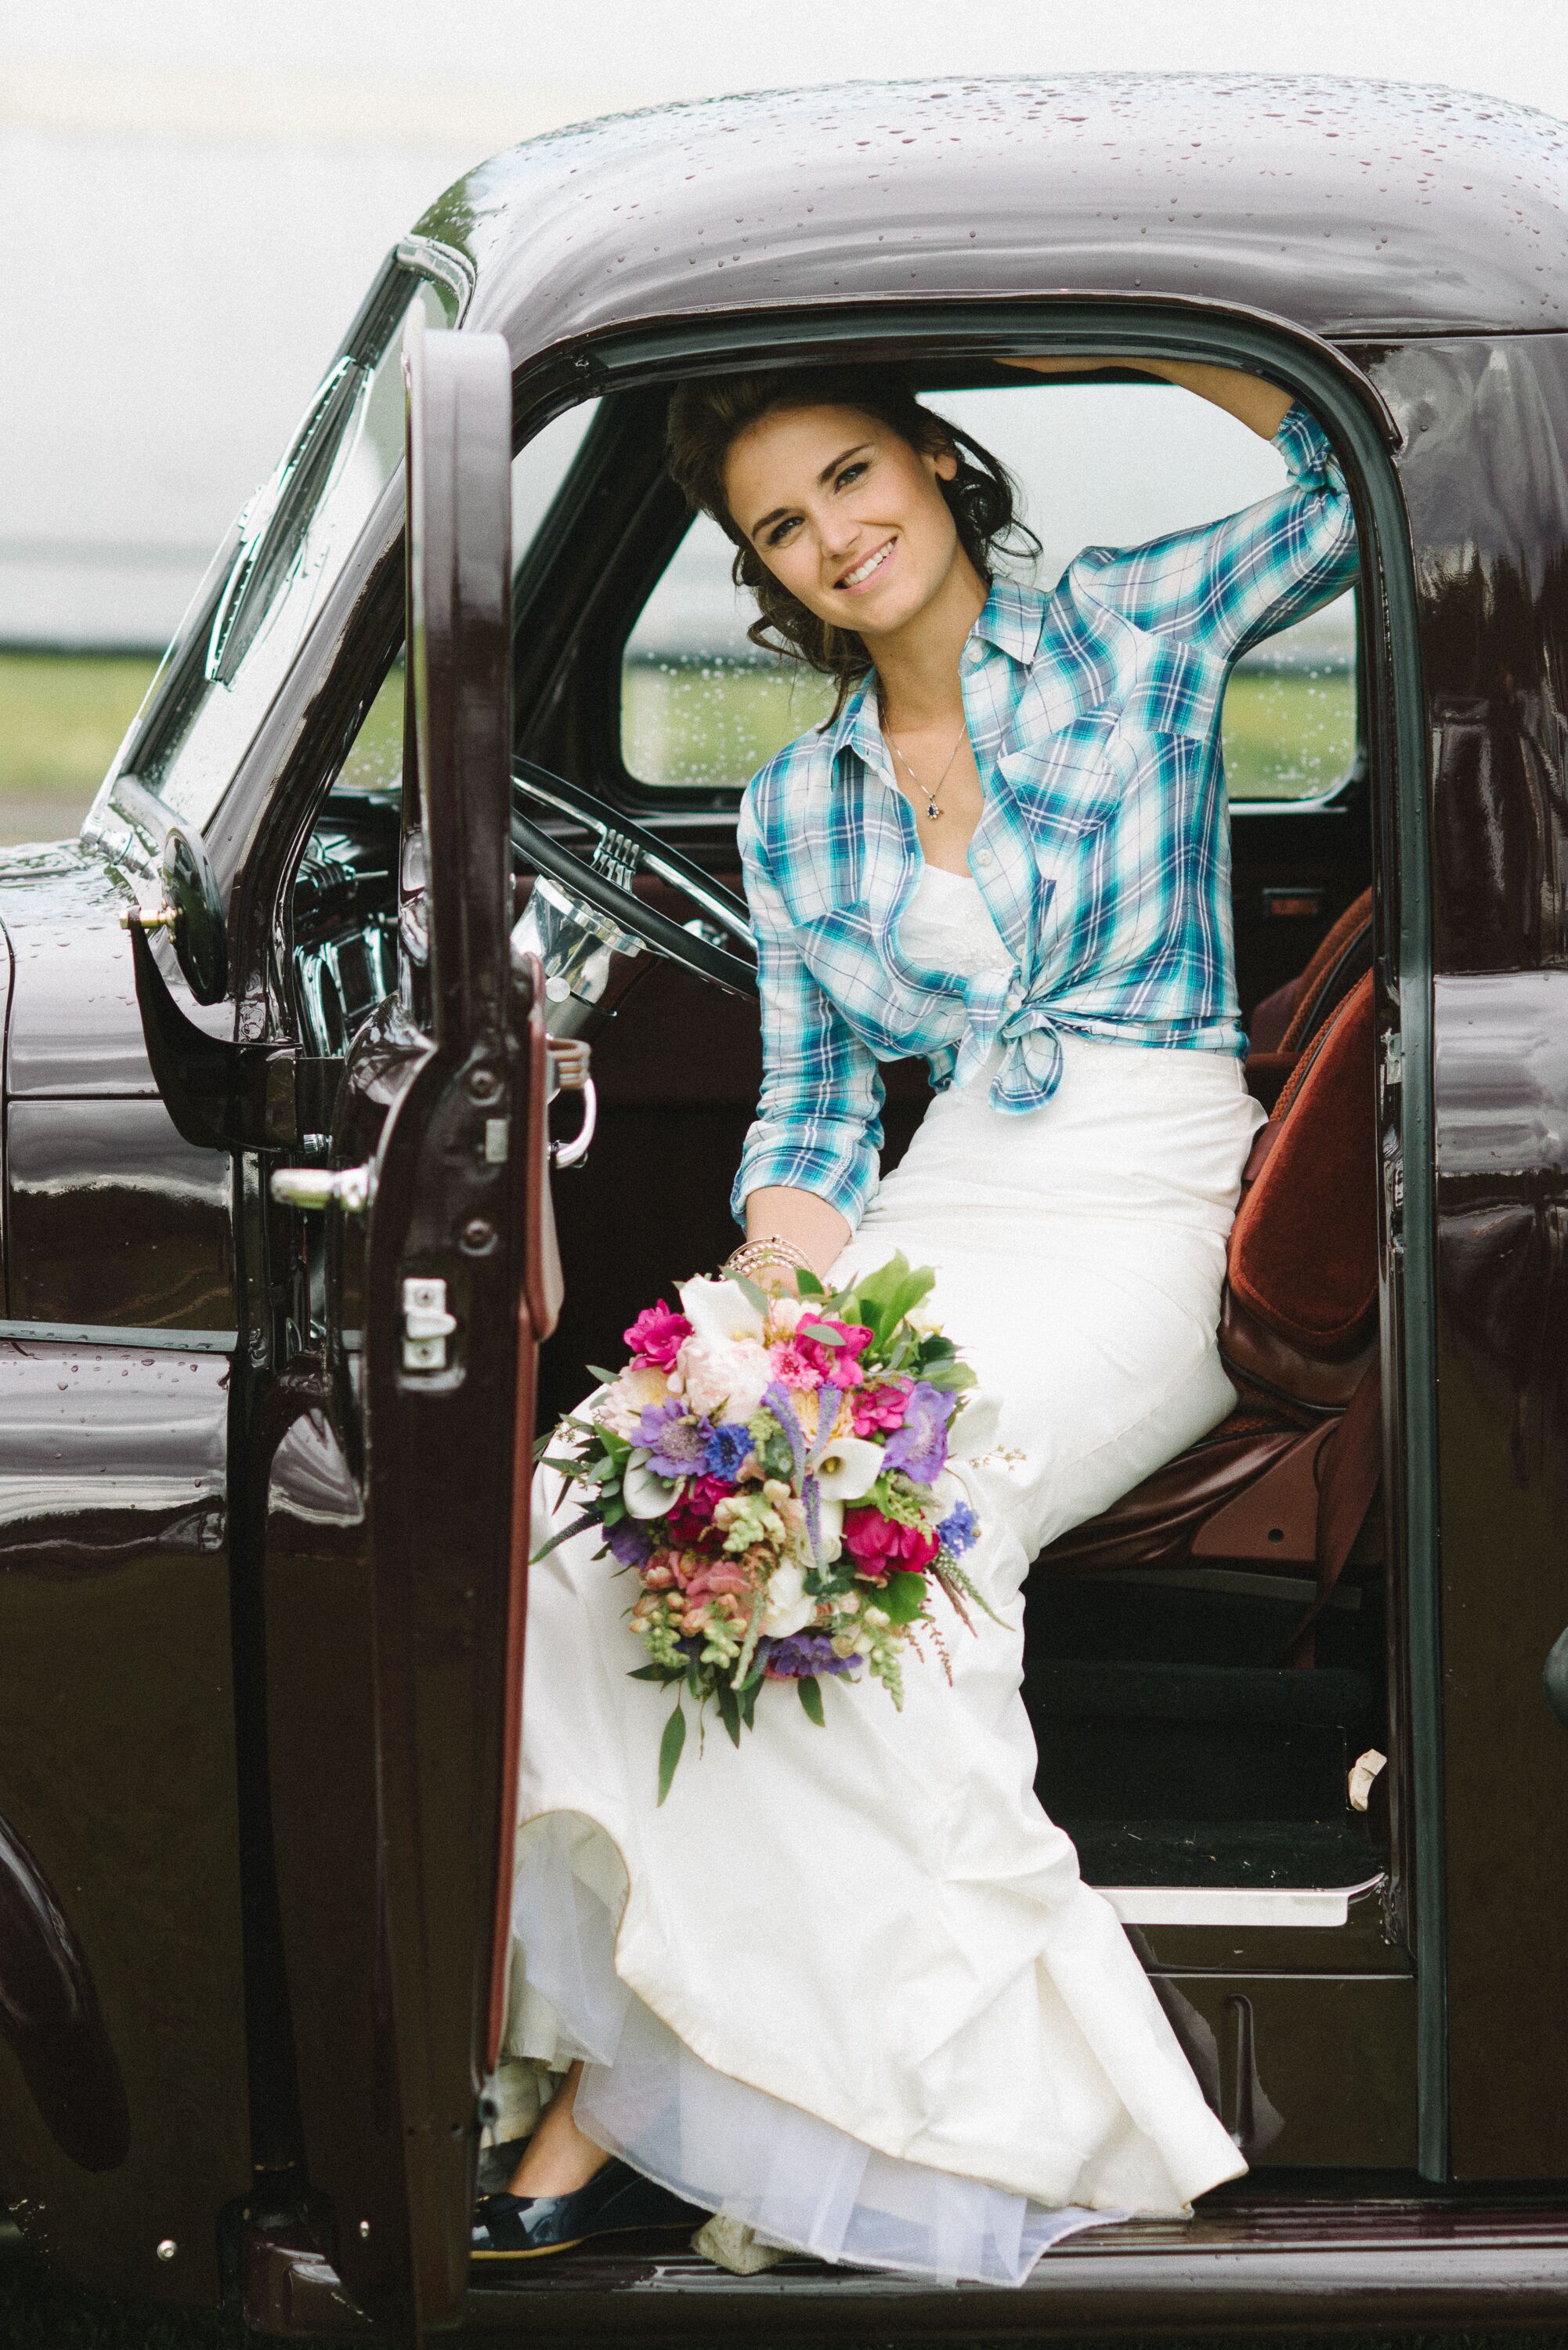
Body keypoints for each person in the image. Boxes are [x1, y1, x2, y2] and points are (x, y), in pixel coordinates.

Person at [473, 355, 1360, 2282]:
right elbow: (808, 1113)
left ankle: (680, 2106)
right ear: (769, 572)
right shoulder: (797, 804)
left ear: (939, 465)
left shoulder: (1133, 625)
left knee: (897, 1548)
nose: (834, 535)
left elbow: (1346, 481)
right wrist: (757, 1331)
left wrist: (1116, 340)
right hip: (943, 1196)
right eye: (781, 524)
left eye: (854, 476)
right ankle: (675, 2053)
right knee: (603, 1516)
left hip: (1142, 1201)